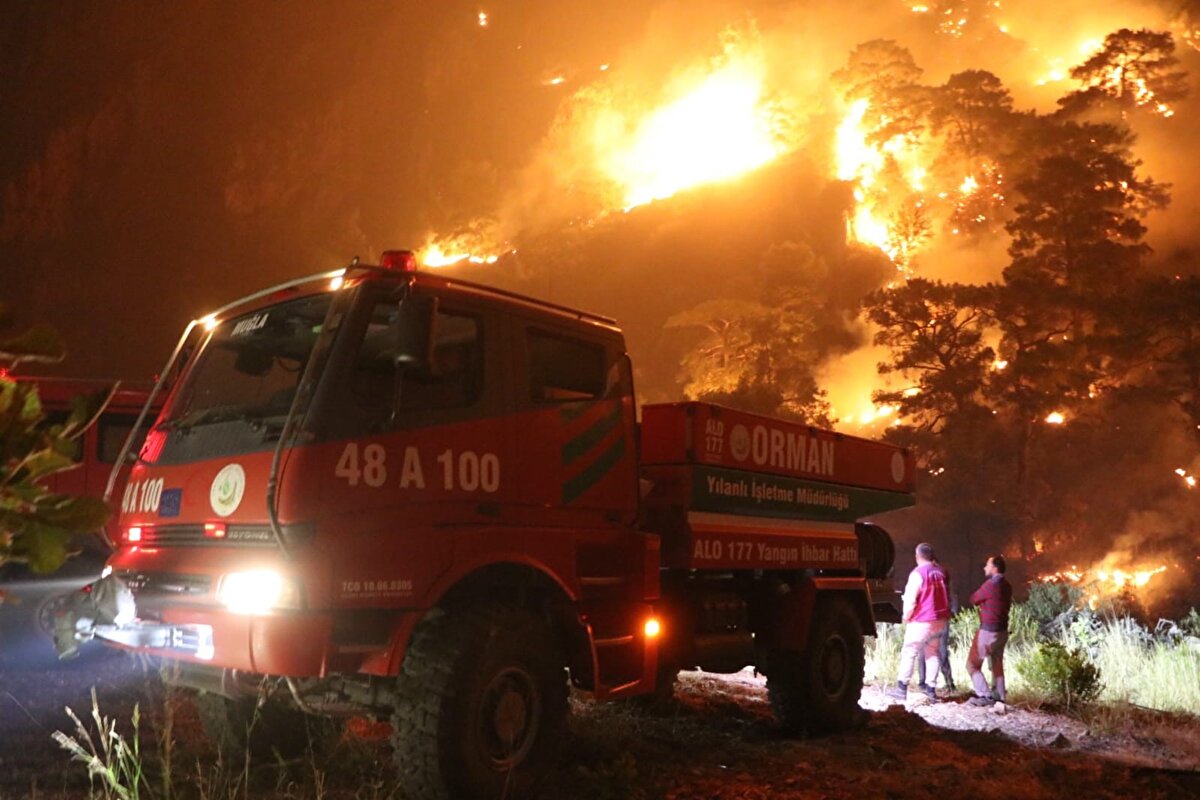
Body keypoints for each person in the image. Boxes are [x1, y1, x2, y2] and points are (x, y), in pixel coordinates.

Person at [888, 543, 951, 703]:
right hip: (940, 620)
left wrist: (906, 616)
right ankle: (931, 690)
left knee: (909, 651)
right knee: (933, 654)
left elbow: (910, 599)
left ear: (917, 556)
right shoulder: (941, 572)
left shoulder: (918, 574)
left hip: (922, 620)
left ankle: (902, 688)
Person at [966, 554, 1013, 707]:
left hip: (988, 632)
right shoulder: (1007, 586)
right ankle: (1000, 696)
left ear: (994, 568)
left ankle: (984, 695)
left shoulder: (990, 585)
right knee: (997, 663)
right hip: (1002, 632)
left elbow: (974, 599)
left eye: (987, 565)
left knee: (972, 664)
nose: (985, 567)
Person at [917, 564, 958, 694]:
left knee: (934, 652)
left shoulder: (927, 574)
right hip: (936, 619)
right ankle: (930, 683)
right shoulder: (941, 574)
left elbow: (952, 595)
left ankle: (944, 683)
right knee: (934, 652)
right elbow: (953, 595)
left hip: (933, 619)